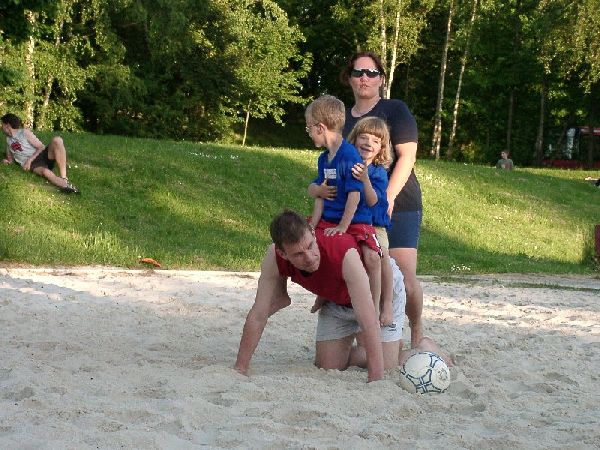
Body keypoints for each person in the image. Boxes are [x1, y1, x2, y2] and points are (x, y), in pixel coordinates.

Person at [234, 209, 385, 382]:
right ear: (282, 254)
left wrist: (376, 379)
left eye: (310, 246)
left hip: (376, 294)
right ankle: (365, 349)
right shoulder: (274, 257)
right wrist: (241, 367)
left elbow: (369, 319)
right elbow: (258, 314)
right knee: (329, 365)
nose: (309, 257)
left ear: (313, 233)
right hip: (336, 301)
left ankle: (398, 349)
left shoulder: (343, 251)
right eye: (298, 254)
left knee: (386, 364)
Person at [340, 51, 424, 347]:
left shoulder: (395, 109)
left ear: (381, 79)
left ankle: (416, 335)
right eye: (358, 72)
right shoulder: (343, 118)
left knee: (403, 278)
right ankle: (376, 338)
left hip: (398, 203)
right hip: (358, 209)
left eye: (371, 73)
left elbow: (408, 156)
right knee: (365, 271)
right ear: (349, 78)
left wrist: (388, 197)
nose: (364, 78)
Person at [305, 95, 383, 316]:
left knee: (372, 258)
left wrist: (343, 226)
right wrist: (314, 224)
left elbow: (354, 196)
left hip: (355, 221)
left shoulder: (349, 156)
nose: (308, 133)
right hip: (329, 218)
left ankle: (375, 306)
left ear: (320, 128)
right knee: (313, 245)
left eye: (309, 128)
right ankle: (324, 293)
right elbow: (320, 195)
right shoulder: (323, 159)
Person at [347, 116, 394, 327]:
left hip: (375, 223)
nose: (368, 143)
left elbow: (372, 200)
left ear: (381, 148)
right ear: (354, 139)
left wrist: (364, 178)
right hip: (352, 221)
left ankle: (386, 304)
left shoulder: (378, 172)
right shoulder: (346, 164)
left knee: (382, 255)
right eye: (364, 137)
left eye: (375, 141)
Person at [1, 113, 80, 193]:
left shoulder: (24, 132)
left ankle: (64, 177)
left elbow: (41, 147)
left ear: (7, 125)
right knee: (45, 172)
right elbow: (10, 159)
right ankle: (66, 187)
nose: (1, 127)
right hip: (34, 165)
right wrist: (7, 161)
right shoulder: (8, 140)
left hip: (40, 156)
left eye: (2, 124)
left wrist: (29, 160)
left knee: (57, 140)